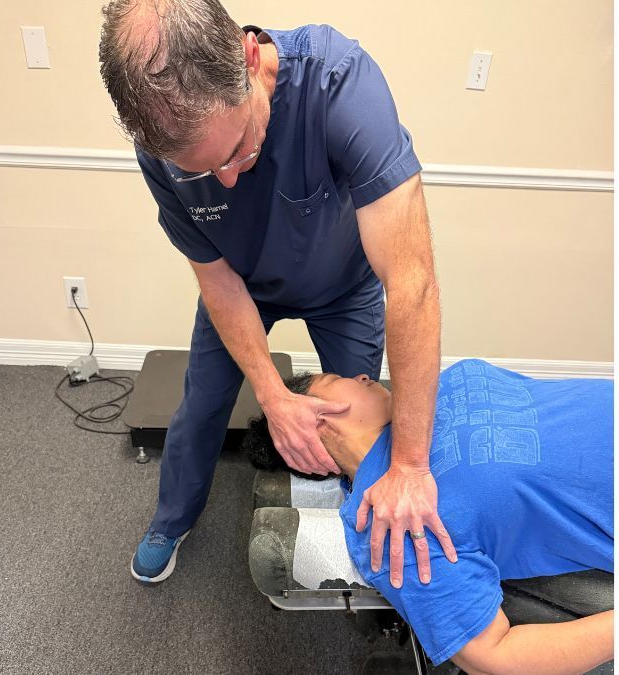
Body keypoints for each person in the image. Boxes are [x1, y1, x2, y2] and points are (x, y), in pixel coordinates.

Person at [99, 1, 451, 586]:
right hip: (241, 287)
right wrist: (272, 395)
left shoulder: (339, 85)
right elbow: (217, 279)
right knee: (203, 403)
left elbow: (411, 282)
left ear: (247, 56)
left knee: (356, 423)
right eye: (204, 172)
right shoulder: (159, 148)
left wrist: (411, 466)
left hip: (343, 287)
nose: (228, 179)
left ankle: (361, 529)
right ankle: (171, 519)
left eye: (238, 147)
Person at [243, 360, 614, 673]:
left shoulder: (422, 394)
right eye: (335, 379)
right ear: (312, 423)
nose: (362, 376)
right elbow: (491, 657)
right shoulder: (391, 522)